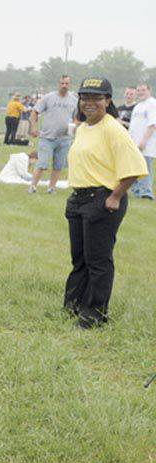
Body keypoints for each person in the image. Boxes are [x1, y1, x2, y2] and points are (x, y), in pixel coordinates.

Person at [64, 78, 147, 329]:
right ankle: (74, 306)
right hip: (79, 200)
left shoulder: (114, 129)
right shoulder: (83, 128)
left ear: (108, 101)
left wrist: (115, 196)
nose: (89, 103)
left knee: (98, 261)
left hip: (102, 200)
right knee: (79, 259)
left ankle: (95, 315)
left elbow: (135, 168)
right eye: (84, 98)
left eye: (96, 98)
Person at [29, 75, 78, 194]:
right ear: (58, 84)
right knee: (42, 163)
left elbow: (76, 118)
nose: (64, 86)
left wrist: (74, 126)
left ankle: (51, 188)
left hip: (64, 139)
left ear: (69, 85)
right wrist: (34, 128)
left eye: (67, 84)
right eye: (62, 83)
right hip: (47, 137)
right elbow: (34, 112)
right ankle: (33, 186)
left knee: (58, 166)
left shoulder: (74, 100)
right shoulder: (49, 97)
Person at [128, 83, 156, 200]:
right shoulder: (138, 106)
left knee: (145, 168)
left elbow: (152, 124)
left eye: (143, 90)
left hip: (146, 144)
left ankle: (146, 193)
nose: (140, 92)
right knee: (135, 168)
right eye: (138, 90)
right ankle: (137, 191)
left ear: (149, 90)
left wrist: (144, 141)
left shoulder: (152, 103)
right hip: (134, 144)